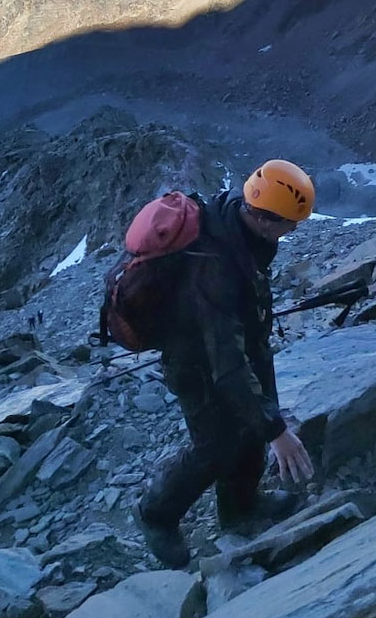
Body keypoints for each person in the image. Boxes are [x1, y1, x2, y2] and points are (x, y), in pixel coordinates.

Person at [136, 159, 317, 568]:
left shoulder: (241, 214)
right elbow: (228, 366)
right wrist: (278, 433)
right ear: (267, 220)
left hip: (242, 342)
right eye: (291, 223)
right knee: (215, 445)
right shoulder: (214, 267)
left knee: (255, 420)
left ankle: (240, 506)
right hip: (194, 361)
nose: (293, 231)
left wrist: (265, 421)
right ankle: (155, 513)